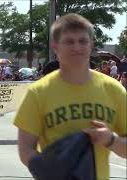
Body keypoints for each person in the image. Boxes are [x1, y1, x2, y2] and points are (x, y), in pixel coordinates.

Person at [14, 13, 126, 180]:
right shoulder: (38, 93)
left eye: (82, 41)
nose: (77, 47)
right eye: (69, 41)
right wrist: (51, 171)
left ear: (91, 46)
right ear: (56, 47)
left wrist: (110, 140)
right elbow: (25, 150)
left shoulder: (114, 90)